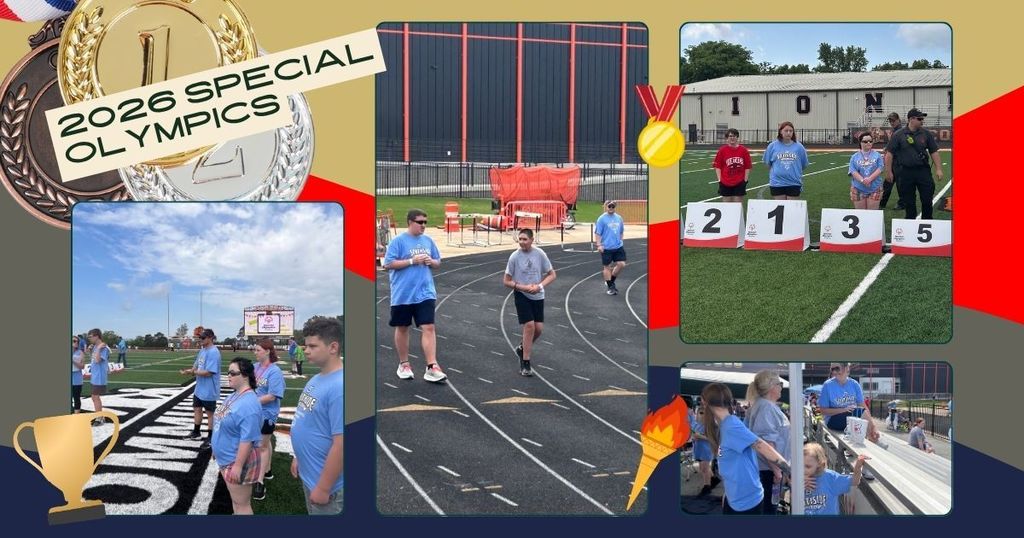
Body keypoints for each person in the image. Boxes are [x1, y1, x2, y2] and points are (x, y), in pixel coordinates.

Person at [700, 383, 791, 515]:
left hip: (746, 502)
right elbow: (730, 463)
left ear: (704, 402)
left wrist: (790, 472)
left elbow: (762, 446)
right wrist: (728, 494)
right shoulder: (724, 425)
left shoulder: (731, 425)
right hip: (735, 499)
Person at [384, 209, 446, 383]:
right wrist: (412, 261)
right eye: (420, 222)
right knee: (403, 327)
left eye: (425, 222)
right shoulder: (398, 241)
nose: (424, 226)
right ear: (410, 222)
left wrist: (430, 262)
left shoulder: (428, 241)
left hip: (425, 292)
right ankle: (404, 363)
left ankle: (432, 366)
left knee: (429, 327)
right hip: (403, 294)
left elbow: (438, 261)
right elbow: (388, 264)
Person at [291, 318, 344, 515]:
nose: (306, 350)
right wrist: (299, 457)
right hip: (310, 472)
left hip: (327, 485)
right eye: (306, 346)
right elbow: (309, 422)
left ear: (333, 347)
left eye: (312, 346)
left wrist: (323, 487)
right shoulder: (317, 377)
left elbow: (343, 444)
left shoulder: (341, 387)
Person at [211, 357, 263, 515]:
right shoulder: (235, 395)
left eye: (233, 373)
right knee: (235, 502)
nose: (229, 376)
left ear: (245, 375)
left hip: (236, 460)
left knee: (242, 505)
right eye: (228, 373)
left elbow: (247, 440)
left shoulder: (249, 403)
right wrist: (216, 447)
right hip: (227, 457)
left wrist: (238, 466)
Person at [503, 228, 557, 376]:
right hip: (522, 294)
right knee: (529, 326)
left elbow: (552, 274)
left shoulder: (540, 254)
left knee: (538, 329)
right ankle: (525, 362)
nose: (521, 242)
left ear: (532, 240)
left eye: (525, 239)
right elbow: (506, 281)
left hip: (538, 295)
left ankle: (522, 348)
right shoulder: (514, 257)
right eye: (520, 239)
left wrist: (539, 286)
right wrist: (522, 287)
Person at [884, 108, 944, 220]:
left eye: (922, 118)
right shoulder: (898, 134)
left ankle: (927, 221)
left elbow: (934, 152)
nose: (922, 121)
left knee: (927, 199)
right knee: (909, 201)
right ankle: (910, 223)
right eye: (920, 118)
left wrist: (938, 169)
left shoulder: (926, 134)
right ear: (911, 119)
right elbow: (889, 154)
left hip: (923, 171)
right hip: (905, 172)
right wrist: (889, 172)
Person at [745, 371, 790, 515]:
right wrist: (777, 472)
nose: (781, 387)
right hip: (769, 471)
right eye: (779, 384)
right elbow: (766, 444)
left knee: (766, 509)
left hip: (768, 470)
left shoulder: (762, 405)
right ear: (772, 387)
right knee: (768, 511)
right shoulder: (766, 408)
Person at [252, 339, 285, 501]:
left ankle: (259, 482)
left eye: (258, 350)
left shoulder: (274, 371)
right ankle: (268, 470)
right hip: (254, 412)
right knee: (265, 443)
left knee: (261, 446)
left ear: (267, 351)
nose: (255, 352)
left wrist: (251, 401)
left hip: (267, 413)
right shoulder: (255, 367)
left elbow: (272, 395)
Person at [181, 328, 221, 451]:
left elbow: (209, 372)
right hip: (199, 388)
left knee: (210, 414)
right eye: (200, 338)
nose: (200, 340)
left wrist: (192, 372)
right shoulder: (203, 350)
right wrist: (191, 370)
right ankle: (196, 431)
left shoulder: (214, 352)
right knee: (197, 409)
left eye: (203, 338)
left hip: (209, 389)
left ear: (210, 338)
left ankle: (211, 436)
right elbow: (197, 364)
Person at [818, 363, 879, 443]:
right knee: (860, 413)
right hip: (833, 420)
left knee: (861, 415)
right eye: (832, 369)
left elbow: (862, 405)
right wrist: (843, 410)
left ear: (846, 368)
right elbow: (823, 411)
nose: (834, 372)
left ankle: (873, 438)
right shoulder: (827, 385)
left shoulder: (854, 384)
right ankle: (875, 441)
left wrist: (874, 426)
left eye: (837, 368)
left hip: (851, 418)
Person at [803, 442, 869, 516]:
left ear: (819, 464)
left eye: (808, 466)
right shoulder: (797, 478)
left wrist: (858, 466)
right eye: (800, 465)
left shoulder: (830, 478)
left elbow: (854, 481)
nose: (803, 470)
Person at [764, 121, 809, 200]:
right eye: (786, 130)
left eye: (791, 131)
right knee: (780, 209)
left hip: (794, 183)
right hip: (777, 183)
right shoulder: (772, 146)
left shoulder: (799, 147)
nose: (788, 133)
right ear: (781, 131)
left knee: (791, 210)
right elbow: (767, 163)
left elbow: (804, 164)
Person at [594, 201, 626, 296]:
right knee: (607, 266)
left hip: (617, 246)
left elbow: (621, 231)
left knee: (622, 264)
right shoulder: (602, 219)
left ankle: (611, 280)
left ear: (615, 207)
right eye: (609, 206)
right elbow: (597, 233)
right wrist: (599, 245)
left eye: (613, 206)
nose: (611, 208)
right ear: (606, 207)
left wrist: (621, 240)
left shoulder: (619, 218)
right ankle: (610, 287)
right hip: (606, 247)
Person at [713, 128, 752, 203]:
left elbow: (747, 166)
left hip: (739, 182)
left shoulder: (743, 150)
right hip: (725, 182)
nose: (732, 138)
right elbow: (718, 166)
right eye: (730, 136)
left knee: (737, 206)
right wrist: (719, 180)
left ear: (737, 137)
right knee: (726, 206)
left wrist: (745, 180)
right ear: (727, 138)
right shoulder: (722, 150)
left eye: (734, 136)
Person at [848, 132, 885, 210]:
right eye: (865, 141)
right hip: (858, 188)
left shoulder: (877, 155)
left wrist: (869, 179)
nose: (868, 143)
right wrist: (862, 180)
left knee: (872, 214)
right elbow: (853, 171)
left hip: (875, 187)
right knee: (860, 215)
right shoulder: (854, 157)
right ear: (860, 142)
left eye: (870, 141)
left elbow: (880, 169)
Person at [879, 112, 905, 210]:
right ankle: (882, 202)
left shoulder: (901, 131)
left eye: (893, 120)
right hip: (894, 162)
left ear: (898, 120)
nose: (891, 122)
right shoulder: (895, 130)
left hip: (899, 162)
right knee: (888, 183)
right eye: (890, 120)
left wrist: (888, 148)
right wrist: (887, 147)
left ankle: (902, 203)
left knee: (899, 185)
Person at [86, 329, 110, 426]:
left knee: (95, 397)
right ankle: (100, 416)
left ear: (97, 336)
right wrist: (90, 350)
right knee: (95, 397)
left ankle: (99, 418)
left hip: (99, 376)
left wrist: (99, 349)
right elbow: (92, 359)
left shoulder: (103, 347)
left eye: (90, 336)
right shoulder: (95, 346)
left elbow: (97, 360)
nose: (89, 338)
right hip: (95, 375)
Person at [72, 336, 85, 414]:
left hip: (77, 378)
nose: (76, 343)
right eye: (74, 341)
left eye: (77, 341)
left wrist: (73, 361)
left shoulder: (80, 352)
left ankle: (76, 417)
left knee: (76, 398)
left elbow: (82, 366)